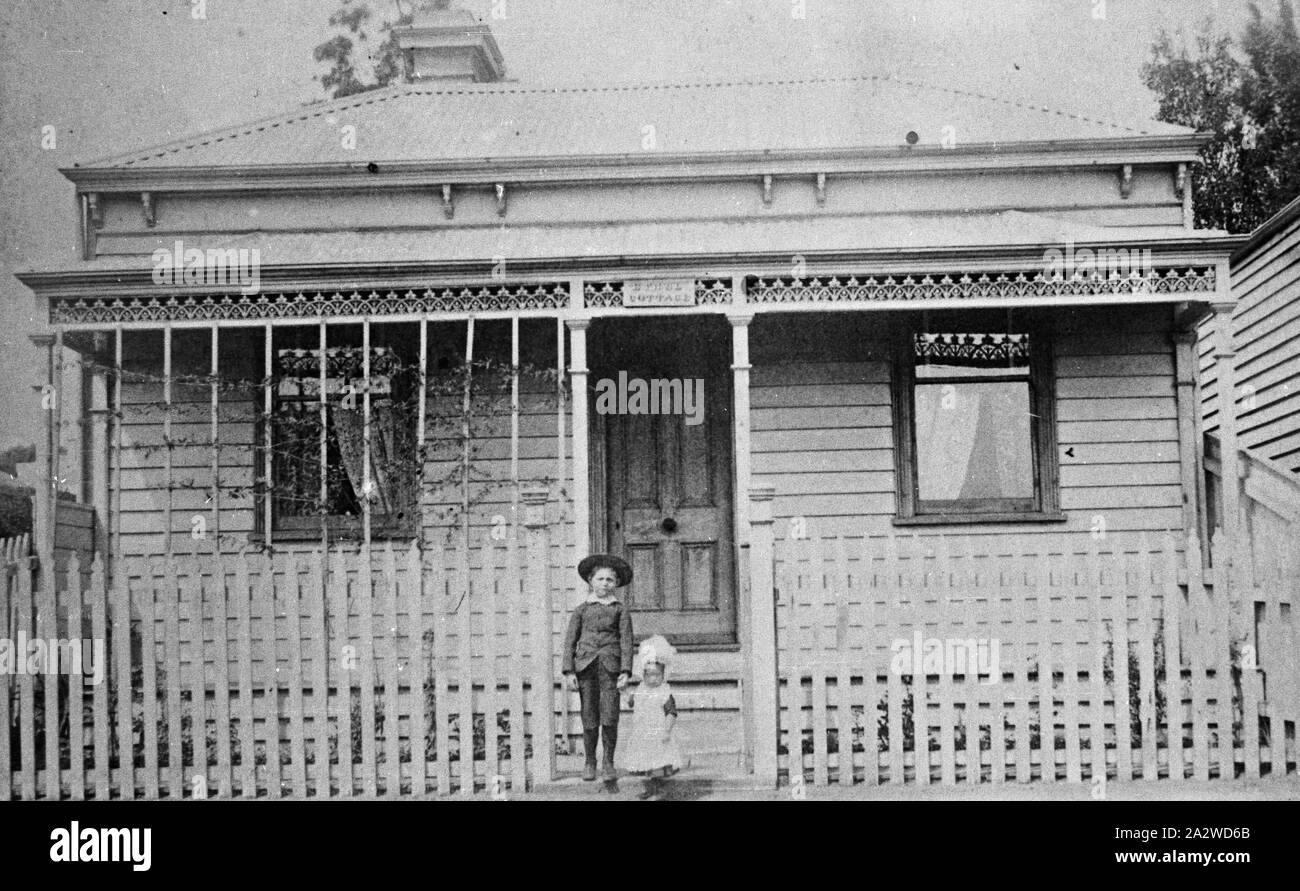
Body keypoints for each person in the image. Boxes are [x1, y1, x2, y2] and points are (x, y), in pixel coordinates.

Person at [561, 554, 634, 784]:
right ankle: (590, 761)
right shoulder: (581, 610)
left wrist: (625, 671)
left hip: (611, 668)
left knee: (610, 716)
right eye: (600, 579)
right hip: (586, 668)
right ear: (590, 581)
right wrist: (569, 671)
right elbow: (570, 642)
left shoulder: (620, 610)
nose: (605, 584)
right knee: (589, 716)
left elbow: (626, 641)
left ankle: (608, 762)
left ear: (617, 584)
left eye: (610, 580)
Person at [619, 634, 686, 800]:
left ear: (663, 674)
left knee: (658, 764)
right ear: (643, 674)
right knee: (646, 763)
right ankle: (650, 789)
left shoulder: (664, 691)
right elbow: (632, 701)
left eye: (657, 675)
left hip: (658, 733)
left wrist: (667, 730)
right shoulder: (642, 688)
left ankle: (658, 791)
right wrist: (623, 691)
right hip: (643, 733)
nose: (653, 678)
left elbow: (671, 712)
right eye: (649, 674)